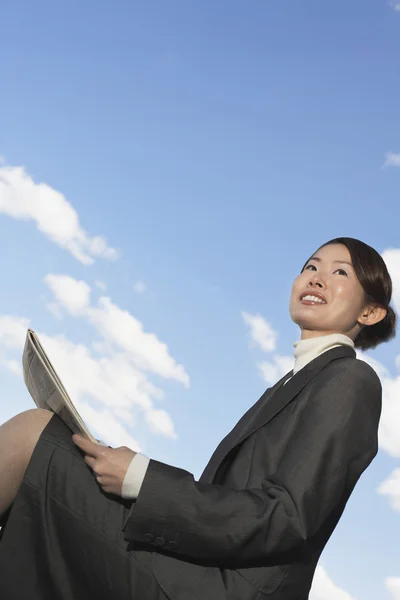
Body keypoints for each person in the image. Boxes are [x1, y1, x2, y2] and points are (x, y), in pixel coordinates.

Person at [0, 237, 396, 600]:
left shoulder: (351, 379)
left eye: (339, 272)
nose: (318, 279)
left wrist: (140, 478)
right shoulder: (290, 384)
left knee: (35, 434)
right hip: (201, 569)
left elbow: (286, 517)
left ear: (372, 311)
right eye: (311, 267)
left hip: (222, 588)